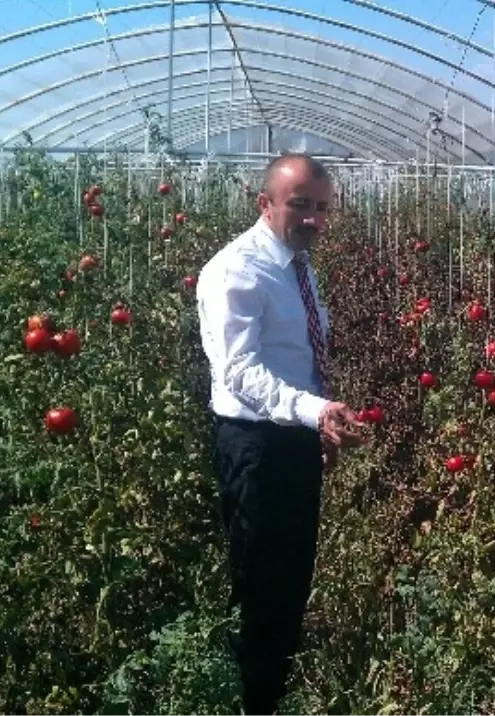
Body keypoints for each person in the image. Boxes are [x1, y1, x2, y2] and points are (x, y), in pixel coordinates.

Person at [196, 153, 365, 715]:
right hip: (255, 445)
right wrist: (314, 411)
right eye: (300, 205)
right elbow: (238, 374)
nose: (314, 218)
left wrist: (317, 424)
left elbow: (299, 357)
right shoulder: (237, 271)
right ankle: (256, 697)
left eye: (322, 207)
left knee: (292, 572)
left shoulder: (296, 262)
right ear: (264, 203)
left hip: (290, 436)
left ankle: (275, 681)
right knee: (264, 581)